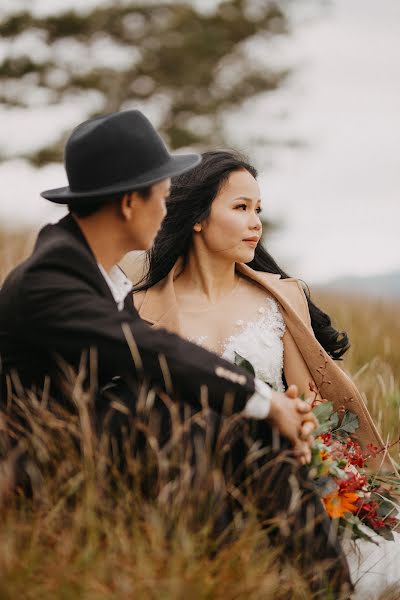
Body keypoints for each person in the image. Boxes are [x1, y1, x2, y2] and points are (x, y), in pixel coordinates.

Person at [0, 112, 350, 595]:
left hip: (105, 450)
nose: (168, 213)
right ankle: (249, 577)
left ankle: (319, 586)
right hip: (39, 473)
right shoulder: (51, 279)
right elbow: (147, 351)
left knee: (230, 426)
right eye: (162, 199)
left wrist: (262, 410)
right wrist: (265, 401)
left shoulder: (95, 274)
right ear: (128, 203)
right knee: (224, 423)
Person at [128, 149, 399, 598]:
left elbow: (308, 404)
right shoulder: (142, 310)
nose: (256, 222)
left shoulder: (280, 299)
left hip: (287, 480)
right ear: (197, 217)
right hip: (196, 488)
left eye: (258, 210)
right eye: (240, 208)